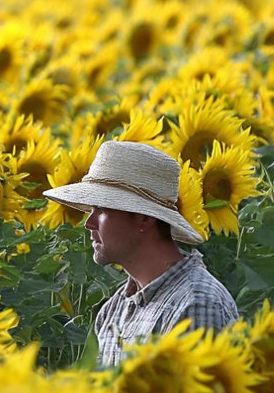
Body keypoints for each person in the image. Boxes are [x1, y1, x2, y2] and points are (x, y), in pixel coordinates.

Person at [42, 140, 238, 366]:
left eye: (102, 210)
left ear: (144, 218)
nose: (89, 223)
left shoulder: (196, 306)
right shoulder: (114, 309)